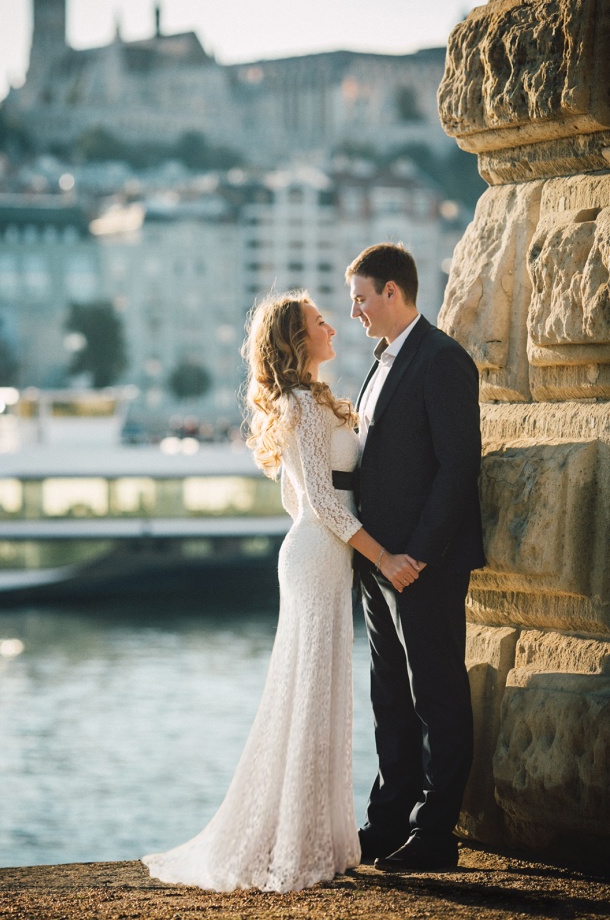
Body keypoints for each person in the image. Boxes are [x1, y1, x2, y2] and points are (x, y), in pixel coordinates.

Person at [142, 291, 411, 893]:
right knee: (311, 695)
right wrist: (384, 557)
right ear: (297, 338)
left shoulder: (306, 401)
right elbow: (322, 505)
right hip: (319, 556)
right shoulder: (302, 405)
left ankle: (310, 839)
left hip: (317, 554)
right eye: (320, 321)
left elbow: (298, 500)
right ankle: (297, 847)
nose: (332, 326)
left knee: (315, 693)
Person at [346, 243, 485, 872]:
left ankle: (435, 835)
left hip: (424, 566)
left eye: (361, 298)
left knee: (436, 695)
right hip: (380, 568)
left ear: (392, 291)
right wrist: (379, 559)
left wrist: (418, 556)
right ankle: (387, 822)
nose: (355, 312)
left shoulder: (442, 358)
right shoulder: (381, 362)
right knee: (390, 699)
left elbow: (458, 468)